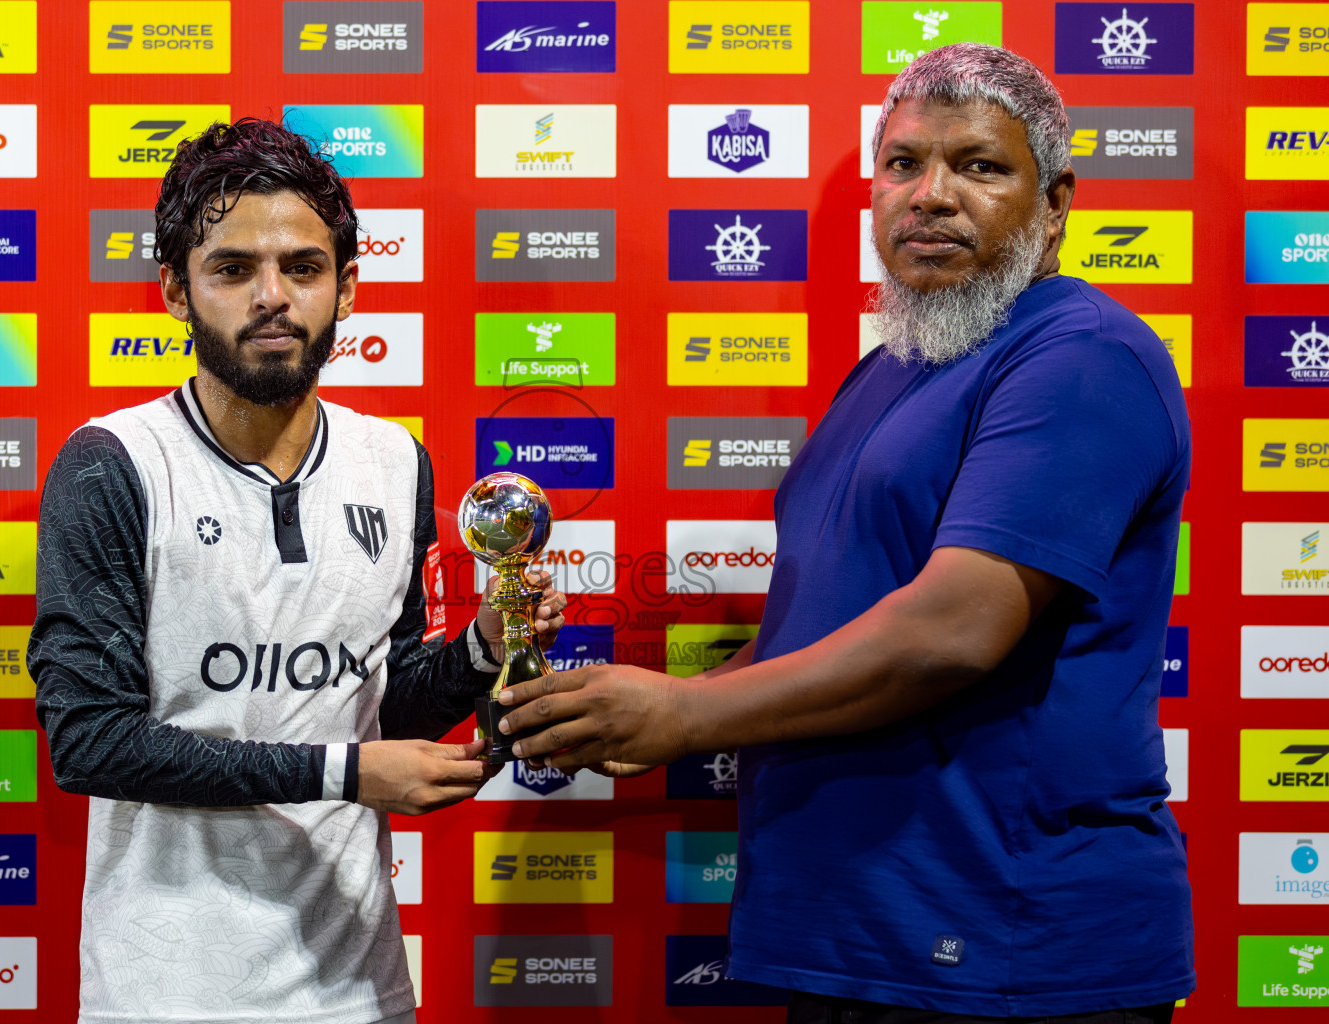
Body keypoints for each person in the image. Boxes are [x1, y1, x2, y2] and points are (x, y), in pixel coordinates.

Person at [497, 43, 1192, 1023]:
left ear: (1058, 202)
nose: (932, 195)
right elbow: (827, 621)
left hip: (1009, 948)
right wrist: (661, 703)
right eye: (904, 163)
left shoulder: (1081, 355)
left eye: (979, 166)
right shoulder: (891, 370)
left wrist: (689, 719)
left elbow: (953, 631)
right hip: (857, 934)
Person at [28, 117, 564, 1024]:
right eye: (233, 268)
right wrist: (347, 776)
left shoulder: (394, 460)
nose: (272, 296)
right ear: (174, 288)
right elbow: (89, 741)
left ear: (347, 287)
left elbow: (378, 702)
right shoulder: (112, 464)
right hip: (164, 993)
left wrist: (481, 648)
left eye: (303, 268)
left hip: (358, 990)